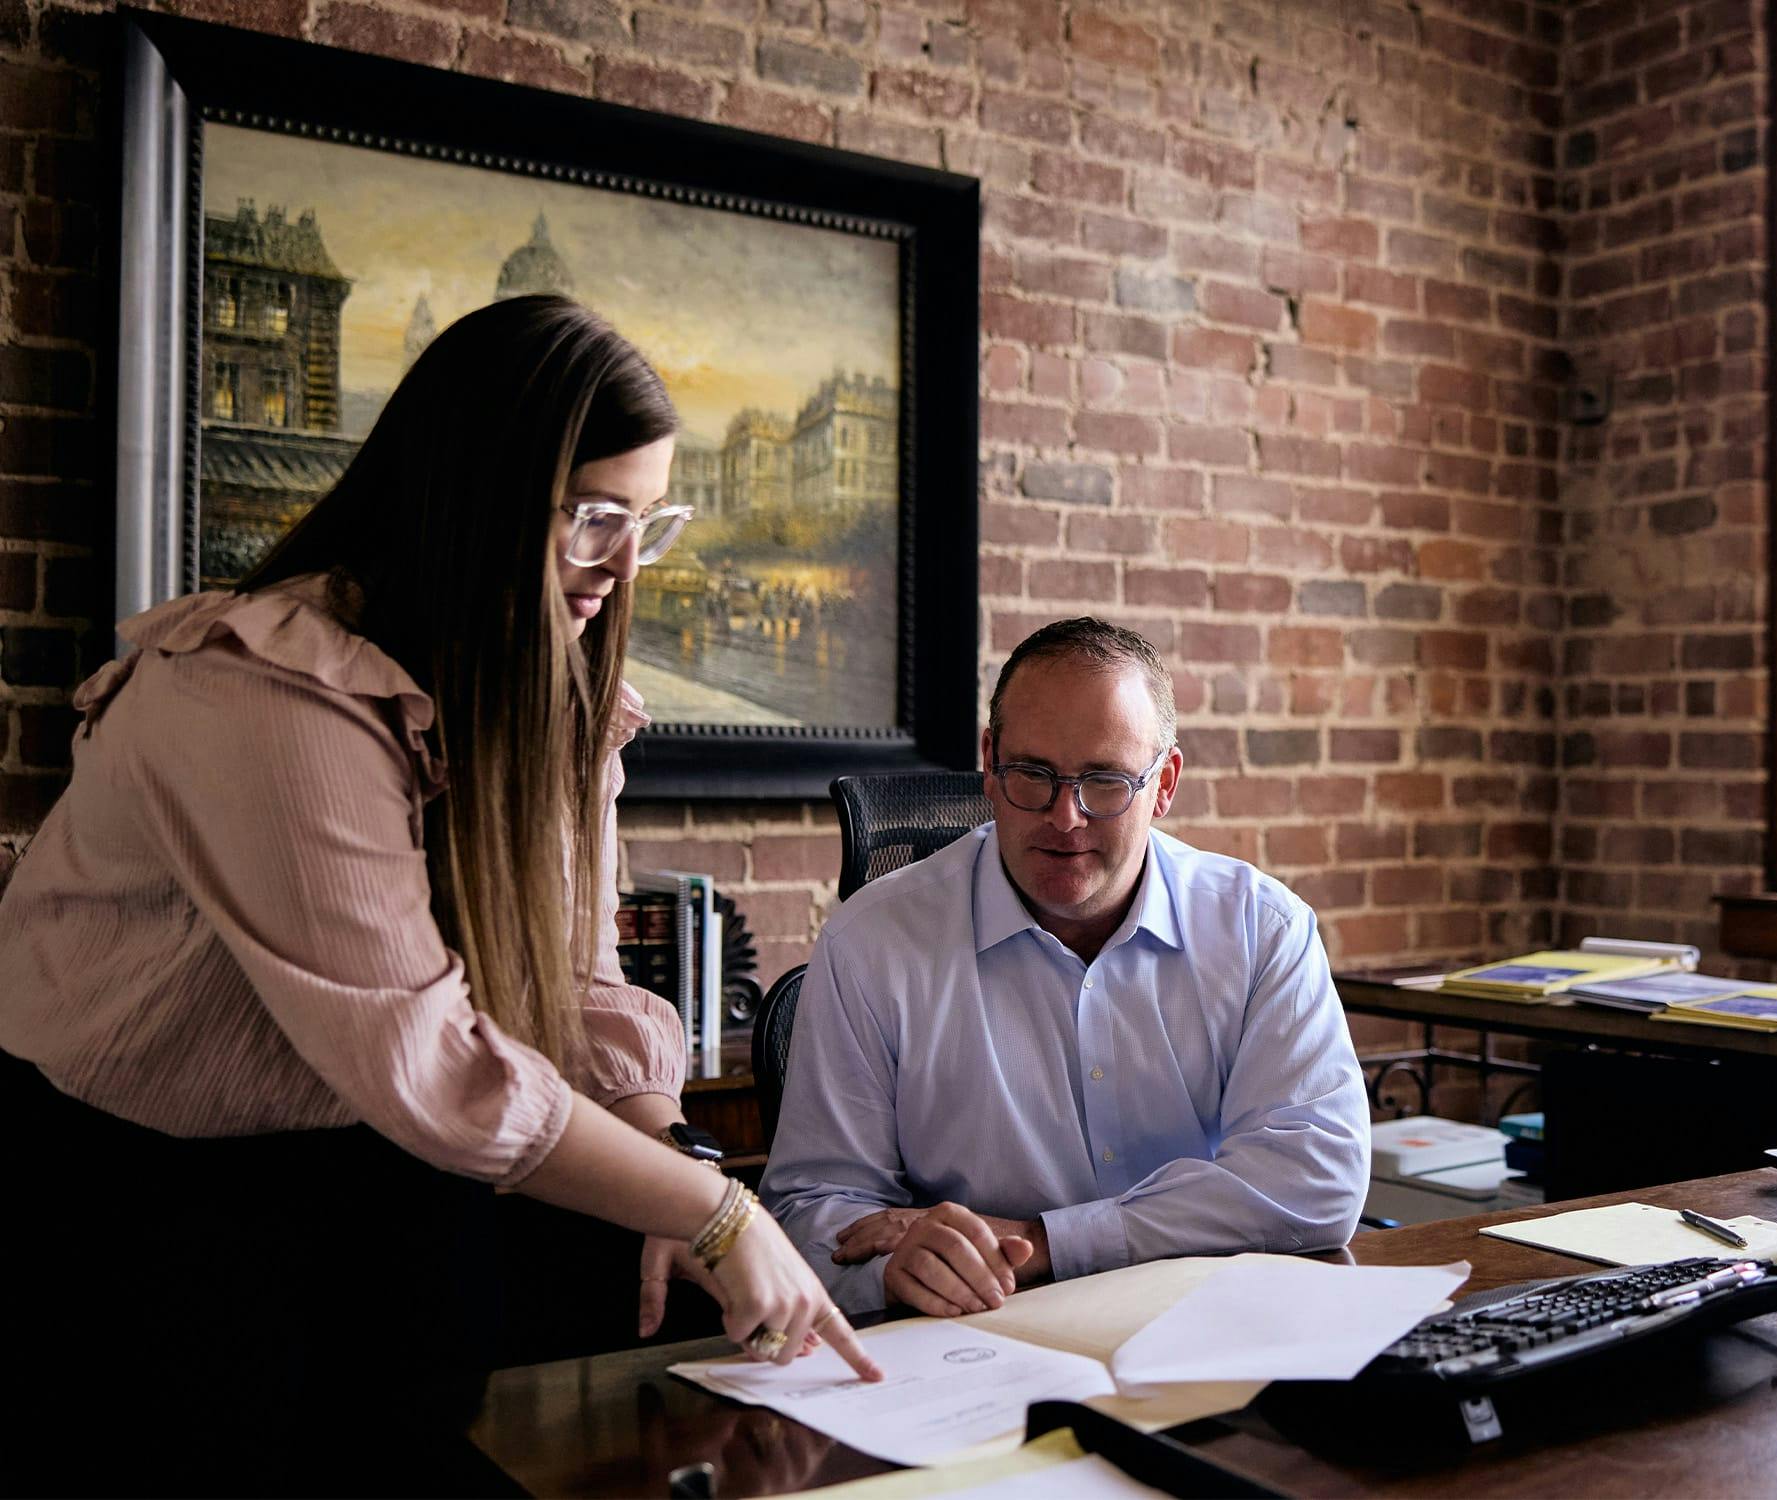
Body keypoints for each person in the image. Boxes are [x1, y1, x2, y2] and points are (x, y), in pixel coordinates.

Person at [0, 295, 878, 1494]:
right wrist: (723, 1215)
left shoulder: (541, 687)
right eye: (589, 519)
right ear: (476, 492)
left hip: (378, 1164)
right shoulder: (263, 696)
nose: (623, 570)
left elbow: (574, 976)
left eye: (647, 523)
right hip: (140, 1192)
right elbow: (427, 1057)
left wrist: (663, 1146)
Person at [761, 617, 1370, 1318]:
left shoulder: (1260, 929)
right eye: (1033, 775)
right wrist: (900, 1268)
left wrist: (1042, 1240)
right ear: (989, 765)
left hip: (1201, 1325)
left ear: (1164, 783)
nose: (1066, 818)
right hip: (971, 1339)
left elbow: (1316, 1178)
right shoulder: (872, 943)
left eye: (1106, 781)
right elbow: (810, 1213)